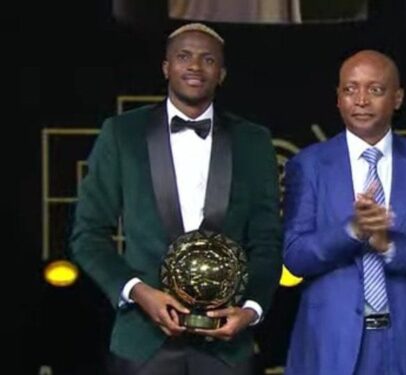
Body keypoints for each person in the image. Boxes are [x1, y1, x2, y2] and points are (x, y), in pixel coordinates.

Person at [70, 23, 282, 375]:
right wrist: (138, 292)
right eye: (184, 57)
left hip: (227, 346)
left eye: (208, 59)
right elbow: (87, 235)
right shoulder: (122, 134)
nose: (195, 67)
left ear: (222, 73)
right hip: (142, 343)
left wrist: (251, 309)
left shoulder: (253, 141)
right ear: (166, 67)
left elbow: (267, 240)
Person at [282, 49, 406, 375]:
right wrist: (351, 231)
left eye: (375, 90)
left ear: (397, 98)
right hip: (332, 340)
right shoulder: (308, 165)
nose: (361, 100)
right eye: (350, 89)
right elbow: (295, 255)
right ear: (338, 98)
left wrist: (390, 245)